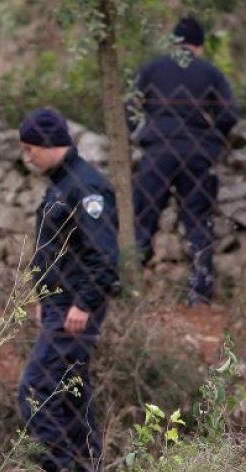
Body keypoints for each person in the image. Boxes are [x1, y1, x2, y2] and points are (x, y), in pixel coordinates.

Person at [17, 108, 119, 472]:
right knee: (70, 388)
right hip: (61, 304)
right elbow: (57, 249)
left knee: (36, 388)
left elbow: (102, 255)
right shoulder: (62, 183)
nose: (27, 157)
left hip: (75, 308)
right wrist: (44, 295)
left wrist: (84, 303)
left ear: (47, 144)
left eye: (29, 149)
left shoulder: (87, 188)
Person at [130, 16, 239, 305]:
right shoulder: (211, 73)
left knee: (144, 217)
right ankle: (199, 292)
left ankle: (127, 285)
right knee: (197, 220)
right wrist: (211, 139)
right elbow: (230, 113)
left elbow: (130, 107)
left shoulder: (152, 68)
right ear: (199, 46)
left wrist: (139, 135)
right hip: (196, 155)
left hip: (158, 153)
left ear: (174, 43)